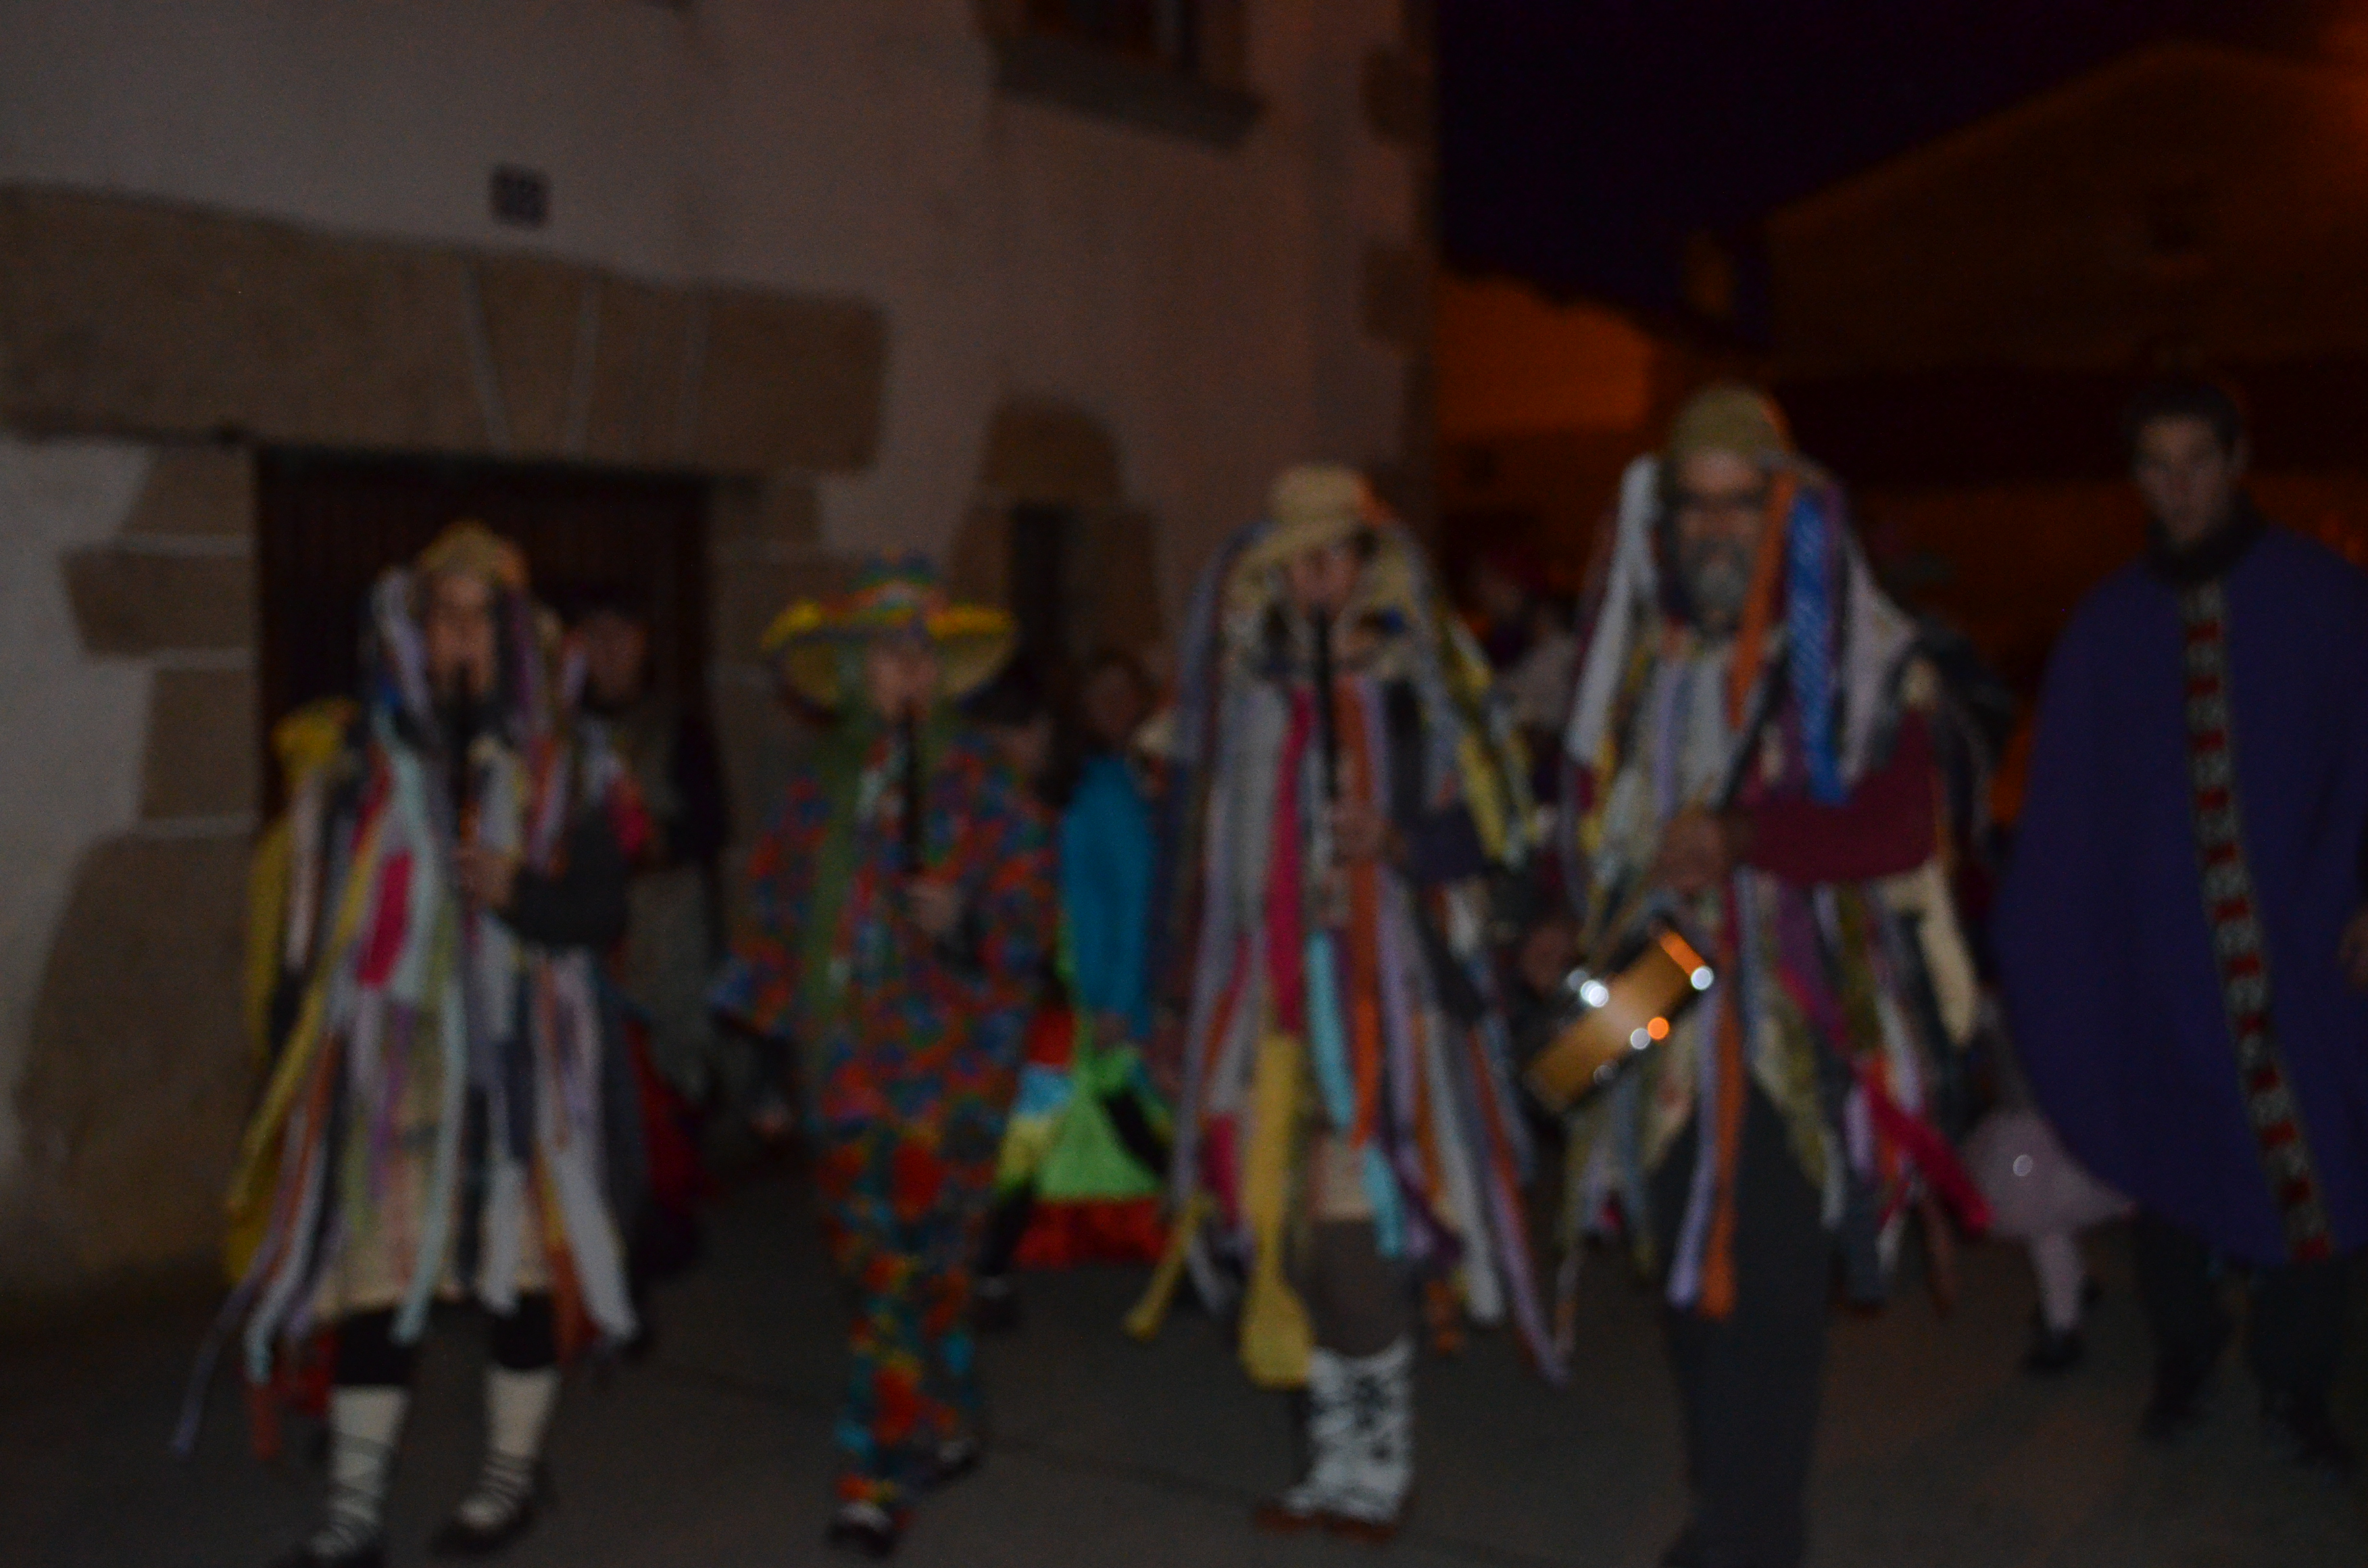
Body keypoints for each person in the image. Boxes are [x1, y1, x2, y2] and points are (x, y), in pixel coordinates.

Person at [1555, 386, 1984, 1568]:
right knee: (1680, 1270)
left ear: (1785, 512)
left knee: (1769, 1287)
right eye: (1693, 507)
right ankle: (1726, 1515)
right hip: (1655, 990)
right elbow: (1584, 814)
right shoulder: (1636, 657)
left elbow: (1898, 828)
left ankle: (1751, 1539)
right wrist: (1556, 919)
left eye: (1738, 505)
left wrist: (1748, 839)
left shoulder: (1859, 654)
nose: (1713, 530)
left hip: (1797, 1013)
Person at [207, 523, 643, 1568]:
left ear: (515, 637)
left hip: (521, 1062)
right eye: (442, 617)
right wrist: (287, 1064)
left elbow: (600, 912)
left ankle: (508, 1482)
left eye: (481, 620)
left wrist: (522, 893)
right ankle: (353, 1517)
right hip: (390, 1066)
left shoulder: (571, 767)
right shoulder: (352, 768)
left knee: (519, 1277)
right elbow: (306, 937)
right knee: (376, 1282)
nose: (460, 640)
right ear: (413, 632)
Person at [1131, 464, 1548, 1542]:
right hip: (1260, 1002)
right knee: (1284, 1235)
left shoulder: (1422, 691)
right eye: (1294, 562)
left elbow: (1495, 832)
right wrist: (1171, 1001)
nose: (1314, 579)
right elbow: (1186, 859)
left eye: (1332, 555)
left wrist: (1396, 844)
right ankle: (1330, 1454)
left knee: (1356, 1237)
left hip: (1384, 1007)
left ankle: (1382, 1453)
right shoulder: (1240, 695)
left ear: (1367, 565)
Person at [1996, 380, 2368, 1470]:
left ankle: (2297, 1385)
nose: (2181, 487)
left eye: (2198, 460)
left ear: (2239, 458)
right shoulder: (2107, 626)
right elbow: (2068, 810)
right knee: (2168, 1163)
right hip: (2158, 961)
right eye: (2157, 467)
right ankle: (2186, 1356)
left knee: (2316, 1166)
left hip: (2304, 949)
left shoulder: (2326, 597)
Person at [712, 557, 1055, 1557]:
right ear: (857, 670)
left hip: (955, 1075)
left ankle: (912, 1440)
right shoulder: (816, 788)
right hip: (846, 1069)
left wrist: (965, 922)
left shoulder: (986, 784)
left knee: (931, 1268)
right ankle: (895, 1456)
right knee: (882, 1277)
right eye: (887, 653)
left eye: (922, 653)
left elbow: (1030, 923)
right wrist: (766, 1066)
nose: (907, 670)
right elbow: (775, 921)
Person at [971, 655, 1171, 1326]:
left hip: (1086, 991)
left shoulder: (1101, 788)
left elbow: (1137, 897)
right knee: (1047, 1128)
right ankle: (990, 1271)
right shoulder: (1009, 796)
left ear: (1042, 729)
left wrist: (1119, 999)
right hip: (1039, 992)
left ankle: (1214, 1235)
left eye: (1012, 736)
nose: (1004, 752)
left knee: (1105, 1119)